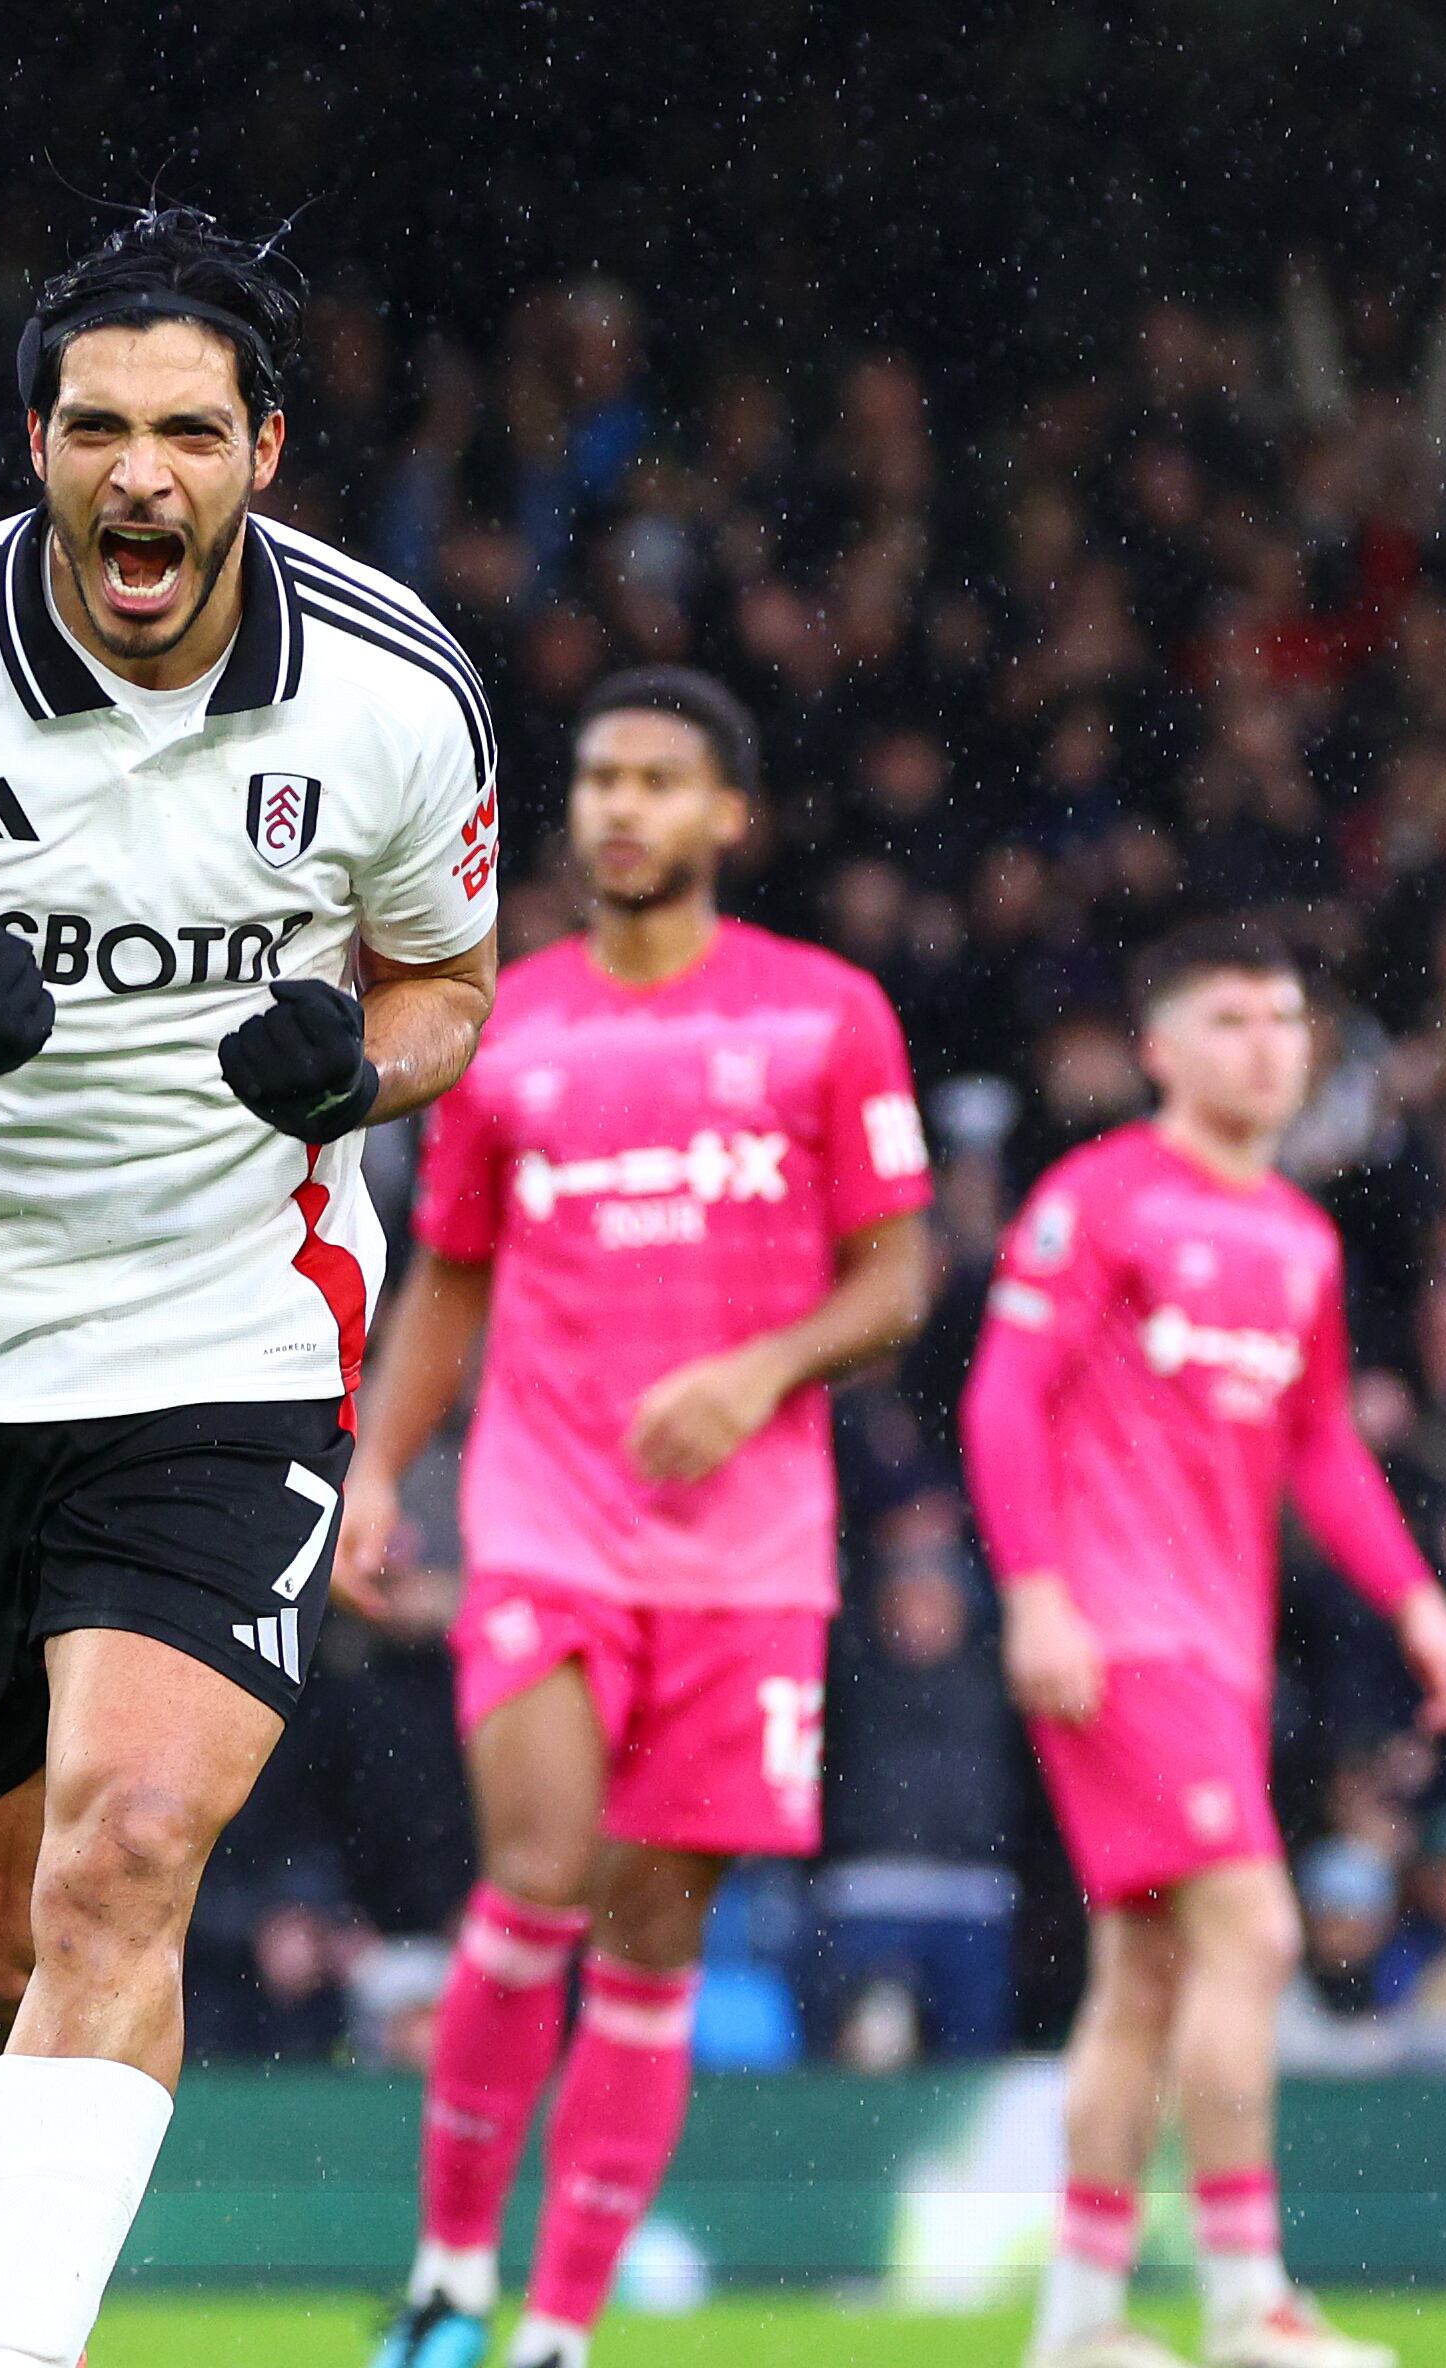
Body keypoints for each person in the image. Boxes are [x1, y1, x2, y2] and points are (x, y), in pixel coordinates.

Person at [0, 206, 501, 2368]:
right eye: (94, 428)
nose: (136, 474)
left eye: (185, 428)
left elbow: (452, 983)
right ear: (37, 445)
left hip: (226, 1332)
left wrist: (369, 1066)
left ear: (264, 445)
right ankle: (23, 2229)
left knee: (133, 1846)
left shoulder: (394, 688)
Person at [340, 666, 937, 2368]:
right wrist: (383, 1468)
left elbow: (896, 1278)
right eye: (598, 778)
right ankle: (453, 2277)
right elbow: (449, 1282)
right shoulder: (503, 1019)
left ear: (729, 818)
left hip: (748, 1556)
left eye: (660, 782)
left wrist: (763, 1372)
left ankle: (561, 2326)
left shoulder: (828, 1014)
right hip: (543, 1524)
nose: (619, 808)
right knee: (535, 1877)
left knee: (654, 1936)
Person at [960, 921, 1446, 2368]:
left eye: (1282, 1019)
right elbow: (1005, 1401)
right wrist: (1035, 1592)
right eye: (1231, 1019)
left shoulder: (1302, 1238)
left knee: (1143, 1978)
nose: (1267, 1044)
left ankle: (1078, 2323)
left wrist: (1419, 1603)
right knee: (1253, 1933)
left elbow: (1320, 1449)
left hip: (1221, 1647)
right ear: (1162, 1050)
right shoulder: (1101, 1200)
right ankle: (1249, 2301)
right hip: (1122, 1638)